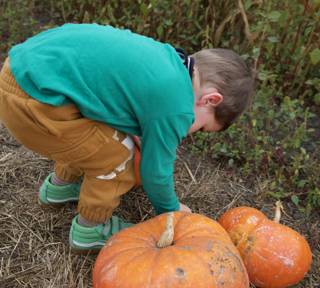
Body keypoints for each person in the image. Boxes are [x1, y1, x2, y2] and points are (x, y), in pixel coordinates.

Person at [0, 23, 254, 252]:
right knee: (119, 155)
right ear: (210, 99)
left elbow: (115, 96)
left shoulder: (168, 59)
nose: (190, 131)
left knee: (99, 134)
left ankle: (61, 187)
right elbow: (155, 171)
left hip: (22, 72)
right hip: (35, 103)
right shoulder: (178, 106)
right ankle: (89, 231)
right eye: (200, 127)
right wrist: (171, 211)